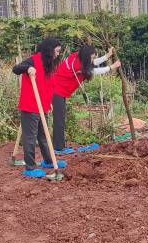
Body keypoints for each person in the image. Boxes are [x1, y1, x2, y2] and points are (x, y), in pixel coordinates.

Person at [12, 37, 66, 178]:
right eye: (57, 51)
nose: (58, 54)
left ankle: (48, 161)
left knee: (44, 136)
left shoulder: (50, 64)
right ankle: (30, 167)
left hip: (43, 106)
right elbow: (16, 68)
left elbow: (48, 85)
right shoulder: (34, 60)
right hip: (30, 106)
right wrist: (28, 68)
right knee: (30, 138)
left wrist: (50, 103)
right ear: (50, 49)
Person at [51, 45, 121, 154]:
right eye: (91, 57)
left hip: (60, 90)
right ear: (86, 56)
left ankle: (59, 146)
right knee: (59, 120)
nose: (92, 59)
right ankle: (58, 148)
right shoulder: (77, 65)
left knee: (61, 118)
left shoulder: (77, 57)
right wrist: (111, 67)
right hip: (56, 90)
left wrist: (107, 56)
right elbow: (93, 71)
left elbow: (92, 63)